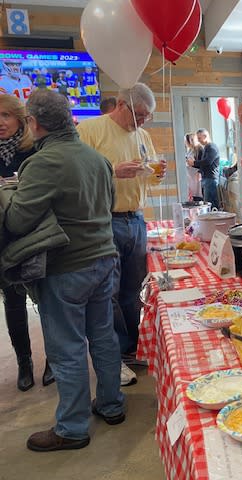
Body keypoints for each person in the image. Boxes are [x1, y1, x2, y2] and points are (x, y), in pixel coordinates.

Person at [5, 89, 124, 451]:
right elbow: (109, 205)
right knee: (103, 336)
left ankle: (72, 428)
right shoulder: (97, 159)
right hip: (105, 259)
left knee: (67, 348)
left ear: (33, 122)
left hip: (66, 267)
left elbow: (17, 220)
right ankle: (111, 404)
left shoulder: (43, 163)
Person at [77, 82, 166, 387]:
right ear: (120, 105)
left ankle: (131, 348)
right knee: (109, 293)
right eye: (139, 115)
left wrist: (157, 174)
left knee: (133, 290)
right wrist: (113, 171)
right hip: (105, 220)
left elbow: (149, 178)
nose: (142, 122)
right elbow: (78, 176)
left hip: (136, 219)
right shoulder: (90, 130)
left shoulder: (142, 136)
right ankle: (113, 358)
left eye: (147, 117)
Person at [0, 94, 53, 391]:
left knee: (45, 301)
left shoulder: (36, 148)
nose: (0, 123)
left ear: (20, 119)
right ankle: (24, 362)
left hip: (36, 235)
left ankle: (53, 359)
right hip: (4, 238)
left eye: (5, 115)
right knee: (13, 303)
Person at [187, 128, 220, 209]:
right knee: (208, 202)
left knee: (210, 203)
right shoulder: (207, 147)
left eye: (199, 138)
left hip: (210, 178)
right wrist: (194, 164)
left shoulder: (211, 147)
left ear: (205, 136)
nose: (198, 140)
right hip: (206, 177)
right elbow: (203, 162)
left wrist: (194, 163)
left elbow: (207, 161)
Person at [184, 132, 203, 201]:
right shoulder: (190, 150)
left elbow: (201, 163)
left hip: (196, 174)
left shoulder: (199, 150)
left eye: (186, 141)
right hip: (190, 175)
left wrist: (192, 163)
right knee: (192, 194)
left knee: (197, 194)